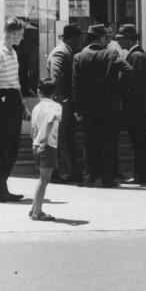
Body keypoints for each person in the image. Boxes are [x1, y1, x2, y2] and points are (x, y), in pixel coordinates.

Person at [72, 24, 133, 188]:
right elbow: (128, 70)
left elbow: (76, 86)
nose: (107, 40)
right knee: (108, 142)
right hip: (109, 106)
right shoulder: (111, 54)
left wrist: (78, 109)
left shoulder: (79, 57)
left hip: (88, 108)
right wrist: (117, 89)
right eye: (105, 37)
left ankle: (90, 177)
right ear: (100, 38)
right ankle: (108, 178)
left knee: (90, 142)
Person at [0, 17, 26, 202]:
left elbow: (15, 82)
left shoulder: (12, 52)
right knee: (4, 146)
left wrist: (22, 104)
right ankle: (1, 190)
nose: (22, 38)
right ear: (13, 33)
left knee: (12, 146)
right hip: (4, 98)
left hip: (13, 98)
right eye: (21, 34)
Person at [115, 24, 146, 185]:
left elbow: (130, 83)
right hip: (140, 108)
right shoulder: (139, 55)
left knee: (140, 143)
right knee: (141, 143)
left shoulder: (136, 57)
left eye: (121, 39)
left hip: (136, 109)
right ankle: (143, 174)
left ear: (129, 39)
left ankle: (142, 175)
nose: (118, 43)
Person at [46, 24, 83, 185]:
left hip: (66, 103)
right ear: (73, 38)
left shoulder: (67, 51)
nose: (81, 42)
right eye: (79, 38)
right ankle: (53, 173)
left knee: (68, 139)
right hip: (62, 104)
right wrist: (62, 102)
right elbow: (56, 79)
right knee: (59, 139)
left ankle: (73, 171)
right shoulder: (61, 52)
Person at [29, 78, 62, 222]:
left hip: (36, 145)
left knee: (42, 178)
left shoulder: (37, 107)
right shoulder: (56, 106)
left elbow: (33, 128)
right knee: (44, 179)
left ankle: (34, 207)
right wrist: (44, 140)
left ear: (39, 91)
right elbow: (50, 121)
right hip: (48, 145)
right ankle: (37, 212)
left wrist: (35, 142)